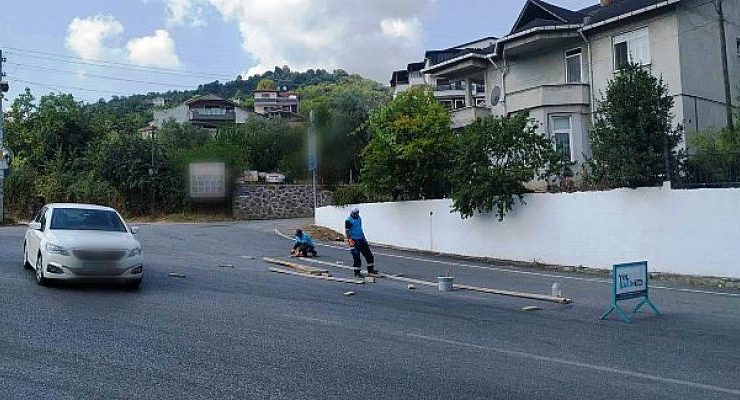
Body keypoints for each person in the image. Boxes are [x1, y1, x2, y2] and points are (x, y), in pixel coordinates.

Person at [345, 207, 375, 277]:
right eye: (354, 213)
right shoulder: (348, 220)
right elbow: (347, 231)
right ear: (351, 213)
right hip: (353, 240)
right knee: (357, 257)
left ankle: (370, 270)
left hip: (361, 239)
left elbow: (360, 229)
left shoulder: (359, 218)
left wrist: (364, 238)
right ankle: (357, 272)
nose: (355, 215)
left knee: (369, 255)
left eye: (356, 213)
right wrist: (350, 240)